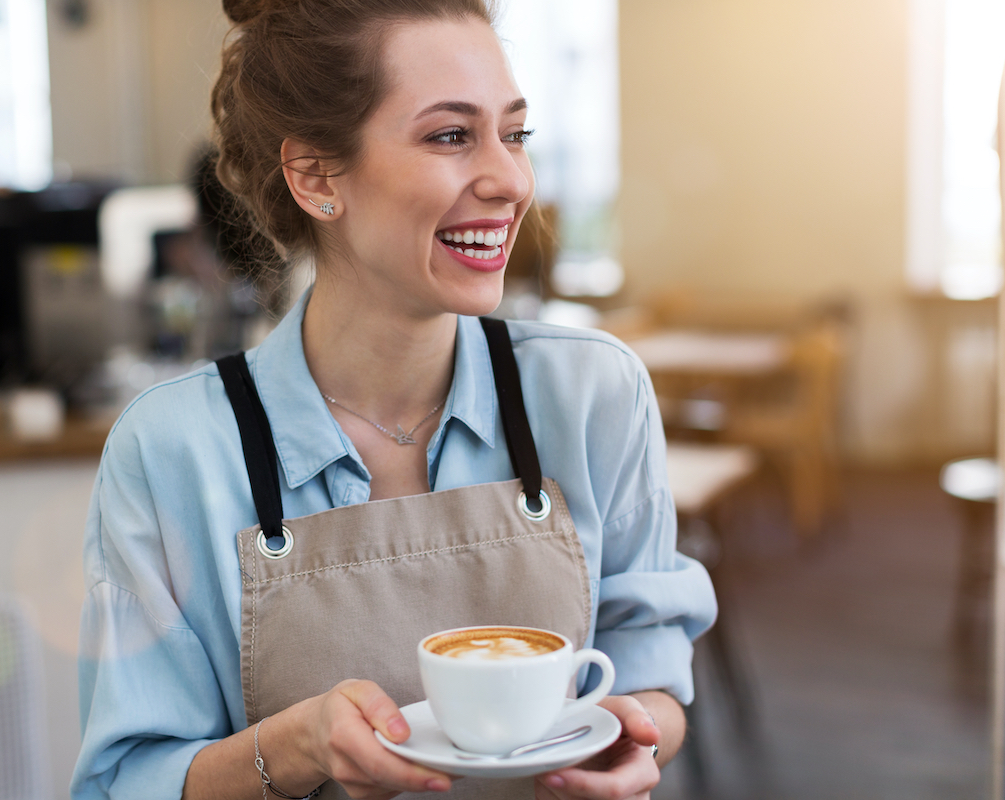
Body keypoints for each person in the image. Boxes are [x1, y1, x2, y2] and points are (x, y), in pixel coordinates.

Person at [71, 1, 717, 799]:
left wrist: (634, 735)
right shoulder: (172, 451)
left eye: (514, 134)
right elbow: (127, 780)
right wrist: (293, 746)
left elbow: (655, 674)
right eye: (451, 135)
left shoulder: (592, 394)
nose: (511, 180)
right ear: (314, 176)